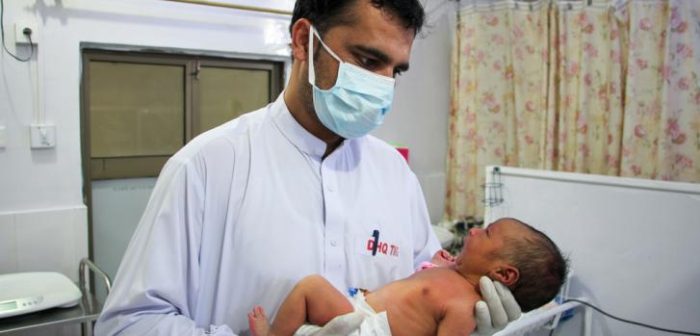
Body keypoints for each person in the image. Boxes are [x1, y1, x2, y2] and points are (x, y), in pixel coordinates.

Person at [94, 1, 520, 335]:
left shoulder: (394, 174)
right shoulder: (206, 167)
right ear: (303, 41)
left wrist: (469, 311)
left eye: (396, 70)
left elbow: (431, 287)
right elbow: (129, 323)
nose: (385, 86)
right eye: (369, 62)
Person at [248, 218, 568, 336]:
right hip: (358, 309)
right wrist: (435, 263)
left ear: (503, 273)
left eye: (486, 233)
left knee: (311, 286)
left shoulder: (465, 306)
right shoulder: (450, 270)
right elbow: (417, 282)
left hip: (370, 330)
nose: (473, 229)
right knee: (310, 287)